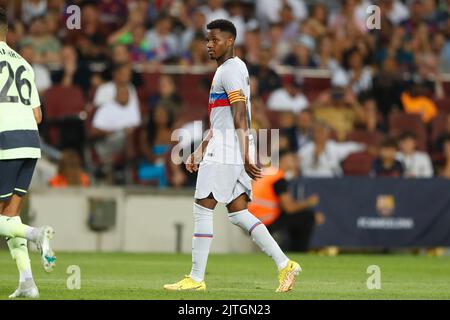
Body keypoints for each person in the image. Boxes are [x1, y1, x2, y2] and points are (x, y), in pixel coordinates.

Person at [164, 20, 301, 293]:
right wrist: (200, 150)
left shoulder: (229, 71)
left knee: (203, 207)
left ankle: (196, 277)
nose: (209, 45)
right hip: (229, 145)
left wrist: (247, 152)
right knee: (238, 213)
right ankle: (285, 263)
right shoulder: (231, 70)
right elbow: (222, 120)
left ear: (230, 41)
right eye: (207, 40)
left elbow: (239, 115)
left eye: (215, 40)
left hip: (229, 148)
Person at [0, 9, 56, 299]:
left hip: (4, 139)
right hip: (30, 141)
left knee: (8, 219)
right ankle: (27, 283)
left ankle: (36, 234)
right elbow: (37, 115)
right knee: (10, 217)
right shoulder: (23, 61)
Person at [249, 150, 325, 252]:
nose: (294, 161)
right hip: (267, 221)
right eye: (291, 158)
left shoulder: (267, 173)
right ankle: (299, 252)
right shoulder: (278, 179)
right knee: (308, 217)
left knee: (296, 218)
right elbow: (289, 208)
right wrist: (309, 202)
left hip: (253, 220)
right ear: (283, 160)